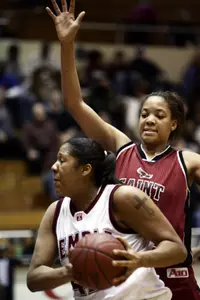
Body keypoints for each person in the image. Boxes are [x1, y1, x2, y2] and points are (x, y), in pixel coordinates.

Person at [46, 0, 200, 298]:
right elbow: (74, 104)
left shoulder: (187, 161)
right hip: (126, 277)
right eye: (144, 114)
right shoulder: (122, 148)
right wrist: (67, 45)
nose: (150, 120)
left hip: (173, 274)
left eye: (159, 115)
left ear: (174, 124)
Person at [27, 137, 187, 300]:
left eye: (62, 160)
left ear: (85, 169)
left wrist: (139, 259)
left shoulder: (123, 198)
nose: (54, 167)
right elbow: (33, 278)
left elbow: (177, 250)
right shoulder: (55, 212)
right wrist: (68, 272)